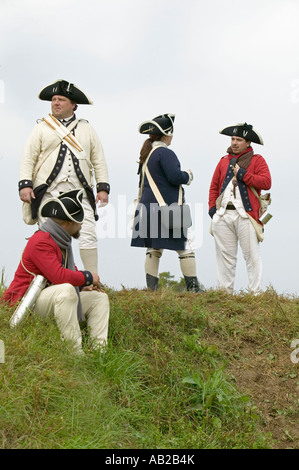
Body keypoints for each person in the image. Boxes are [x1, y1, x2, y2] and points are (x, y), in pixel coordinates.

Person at [1, 189, 110, 355]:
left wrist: (82, 286)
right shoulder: (41, 241)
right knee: (66, 290)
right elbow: (58, 276)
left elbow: (70, 274)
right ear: (68, 223)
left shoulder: (61, 241)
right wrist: (88, 278)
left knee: (98, 298)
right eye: (78, 221)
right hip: (26, 303)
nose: (81, 225)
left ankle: (99, 352)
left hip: (47, 299)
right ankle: (75, 353)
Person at [18, 79, 110, 273]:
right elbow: (28, 158)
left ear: (73, 104)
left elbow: (98, 159)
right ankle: (53, 278)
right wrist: (25, 184)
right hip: (49, 192)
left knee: (87, 233)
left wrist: (102, 187)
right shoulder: (41, 128)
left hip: (79, 191)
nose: (56, 103)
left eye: (61, 99)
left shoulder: (86, 129)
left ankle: (92, 280)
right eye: (53, 99)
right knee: (51, 236)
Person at [131, 113, 202, 292]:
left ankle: (152, 291)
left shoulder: (147, 155)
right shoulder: (165, 153)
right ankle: (193, 289)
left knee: (154, 249)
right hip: (167, 208)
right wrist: (189, 176)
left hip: (147, 208)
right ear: (166, 135)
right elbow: (175, 176)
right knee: (186, 247)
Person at [208, 122, 272, 294]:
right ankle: (224, 294)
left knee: (252, 256)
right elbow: (214, 187)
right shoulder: (223, 161)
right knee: (225, 258)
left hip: (246, 215)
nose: (234, 143)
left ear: (248, 143)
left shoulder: (258, 160)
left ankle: (254, 294)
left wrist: (244, 175)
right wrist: (212, 210)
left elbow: (266, 182)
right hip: (223, 214)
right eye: (233, 139)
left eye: (239, 140)